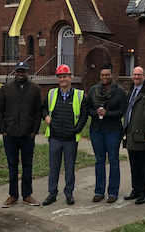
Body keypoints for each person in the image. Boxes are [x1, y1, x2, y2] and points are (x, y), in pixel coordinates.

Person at [0, 61, 42, 208]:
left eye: (23, 71)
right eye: (18, 71)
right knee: (12, 166)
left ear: (27, 72)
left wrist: (34, 131)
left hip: (28, 135)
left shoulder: (35, 89)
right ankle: (13, 195)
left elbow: (38, 112)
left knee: (27, 166)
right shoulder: (6, 89)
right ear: (14, 72)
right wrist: (3, 130)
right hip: (10, 135)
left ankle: (27, 195)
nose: (20, 74)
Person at [42, 64, 89, 206]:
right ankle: (52, 193)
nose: (62, 79)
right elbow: (43, 109)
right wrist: (47, 119)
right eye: (60, 77)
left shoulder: (80, 95)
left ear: (70, 77)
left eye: (64, 76)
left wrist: (77, 129)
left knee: (69, 168)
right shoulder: (51, 94)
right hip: (55, 137)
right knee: (54, 167)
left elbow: (84, 115)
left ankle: (69, 193)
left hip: (70, 139)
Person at [87, 63, 128, 203]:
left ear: (112, 75)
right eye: (102, 75)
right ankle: (99, 191)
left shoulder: (120, 92)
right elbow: (88, 109)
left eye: (107, 75)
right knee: (99, 160)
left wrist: (107, 113)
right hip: (96, 130)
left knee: (113, 160)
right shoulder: (93, 90)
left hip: (113, 130)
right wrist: (96, 112)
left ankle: (113, 192)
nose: (104, 77)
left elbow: (122, 111)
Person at [122, 66, 145, 205]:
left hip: (143, 135)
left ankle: (144, 193)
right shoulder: (131, 90)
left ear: (144, 76)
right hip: (131, 134)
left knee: (144, 166)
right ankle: (136, 190)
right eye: (134, 74)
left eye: (139, 75)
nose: (136, 77)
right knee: (134, 165)